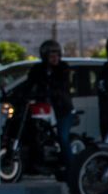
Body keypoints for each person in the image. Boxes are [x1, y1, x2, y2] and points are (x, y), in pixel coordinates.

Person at [24, 39, 77, 173]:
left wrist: (49, 92)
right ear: (44, 56)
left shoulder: (63, 68)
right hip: (43, 108)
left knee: (63, 137)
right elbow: (28, 84)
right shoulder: (38, 69)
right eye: (51, 55)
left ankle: (72, 169)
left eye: (57, 54)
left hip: (63, 110)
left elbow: (62, 86)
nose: (54, 58)